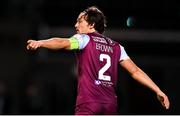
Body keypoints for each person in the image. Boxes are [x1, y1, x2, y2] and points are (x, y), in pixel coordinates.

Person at [26, 6, 170, 115]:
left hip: (89, 103)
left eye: (79, 21)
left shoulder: (83, 39)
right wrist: (158, 90)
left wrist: (41, 43)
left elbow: (63, 42)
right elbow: (135, 71)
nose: (76, 25)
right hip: (110, 105)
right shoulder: (117, 47)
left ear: (91, 25)